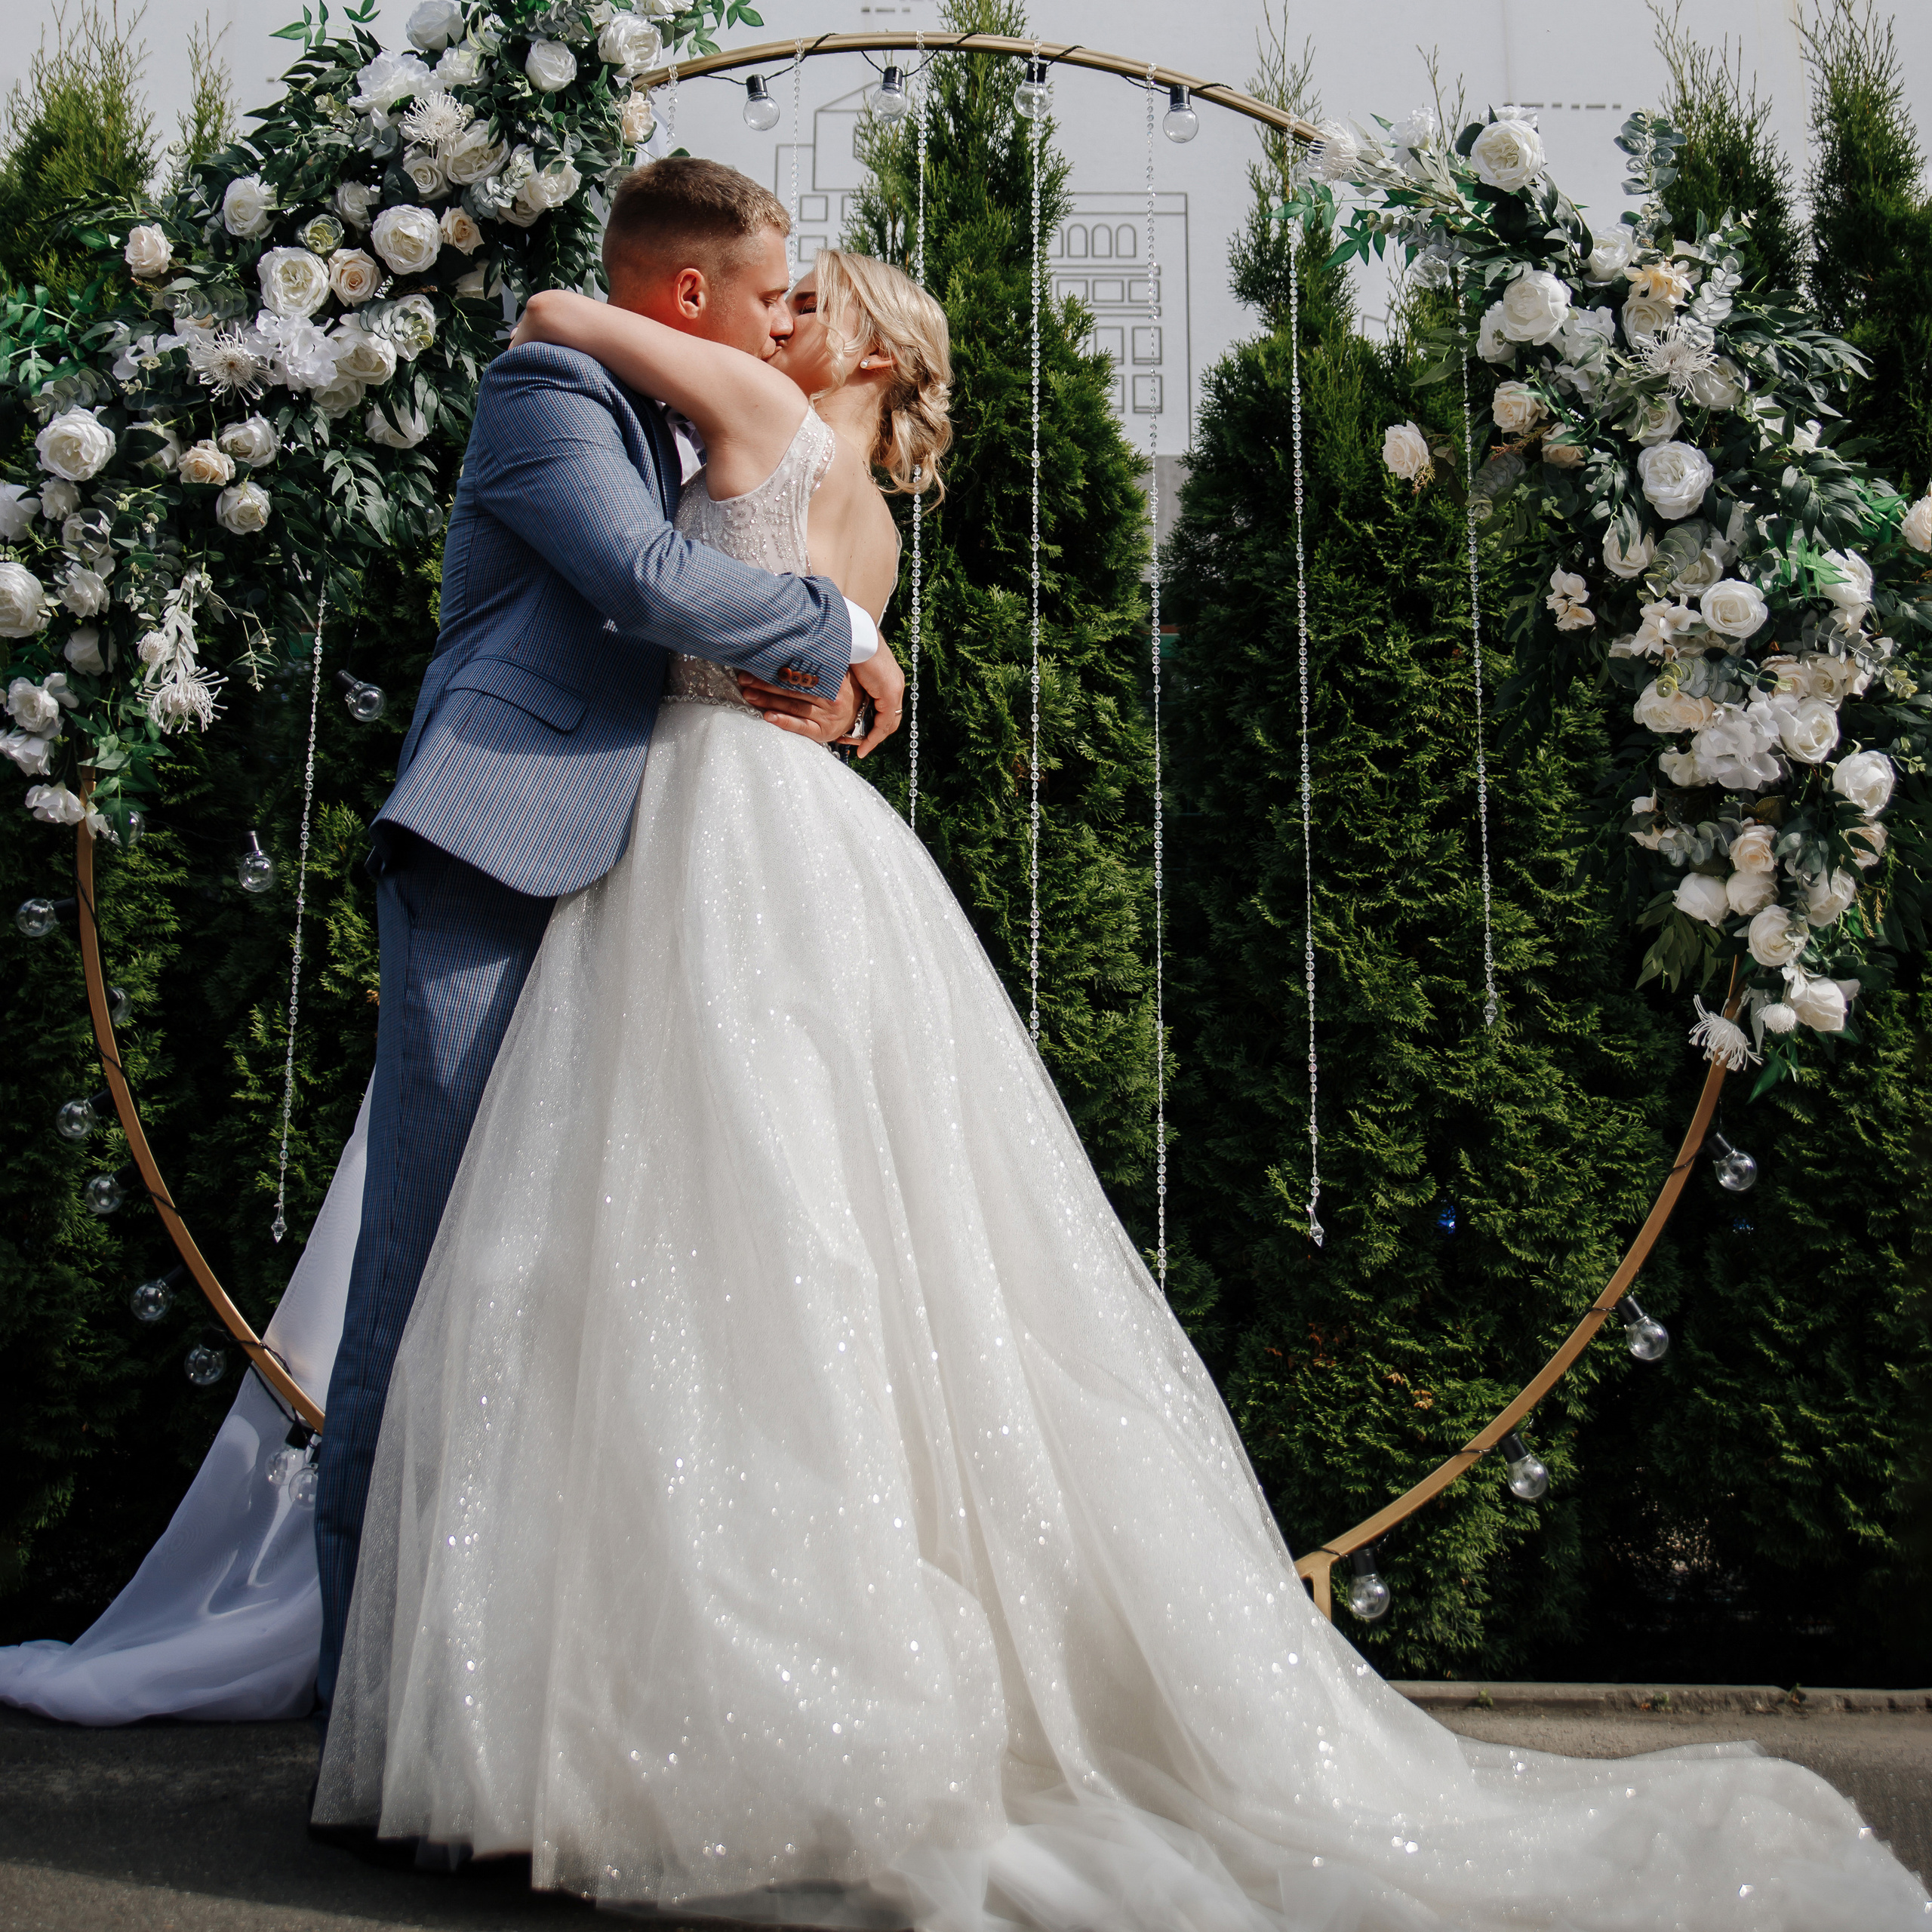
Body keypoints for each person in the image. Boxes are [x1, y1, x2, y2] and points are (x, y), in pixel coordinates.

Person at [313, 226, 1930, 1929]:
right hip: (788, 853)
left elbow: (628, 456)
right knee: (807, 1240)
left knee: (699, 1242)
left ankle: (615, 1699)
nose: (782, 316)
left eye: (813, 304)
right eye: (776, 295)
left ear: (864, 352)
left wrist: (565, 303)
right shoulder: (855, 495)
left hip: (721, 846)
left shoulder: (764, 428)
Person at [309, 158, 908, 1725]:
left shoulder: (690, 400)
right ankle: (358, 1686)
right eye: (772, 291)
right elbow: (644, 581)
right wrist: (845, 638)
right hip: (495, 842)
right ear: (692, 294)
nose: (788, 318)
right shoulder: (549, 384)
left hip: (642, 867)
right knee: (426, 1264)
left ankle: (514, 1682)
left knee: (563, 1276)